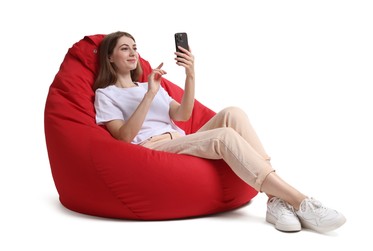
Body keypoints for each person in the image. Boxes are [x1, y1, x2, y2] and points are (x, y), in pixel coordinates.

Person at [93, 31, 346, 233]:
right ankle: (300, 201)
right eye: (124, 48)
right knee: (223, 136)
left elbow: (182, 115)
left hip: (179, 140)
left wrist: (190, 74)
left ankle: (274, 200)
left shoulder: (154, 84)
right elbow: (123, 136)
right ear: (110, 58)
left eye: (135, 47)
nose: (133, 52)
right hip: (152, 148)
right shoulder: (107, 94)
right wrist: (148, 94)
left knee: (233, 113)